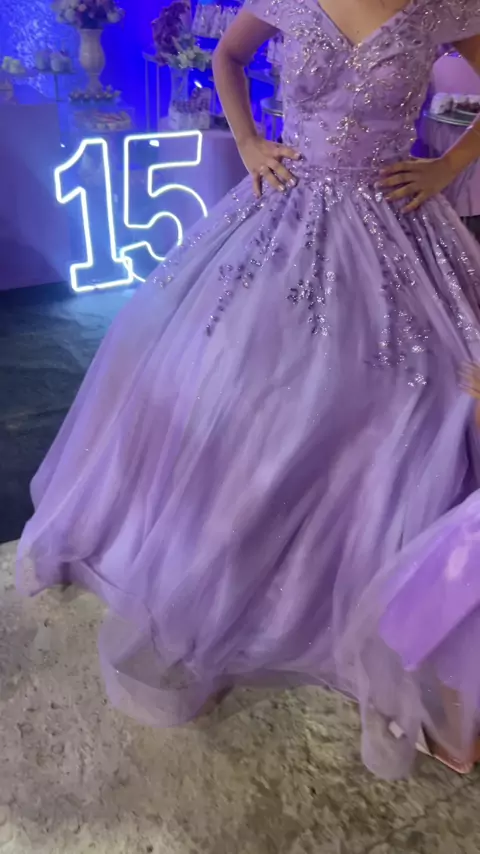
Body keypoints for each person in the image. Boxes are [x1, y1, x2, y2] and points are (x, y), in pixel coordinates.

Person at [17, 0, 480, 779]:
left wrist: (448, 164)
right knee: (229, 376)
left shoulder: (439, 5)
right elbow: (226, 59)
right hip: (285, 211)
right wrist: (248, 141)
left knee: (420, 396)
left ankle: (383, 604)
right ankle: (221, 563)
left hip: (395, 223)